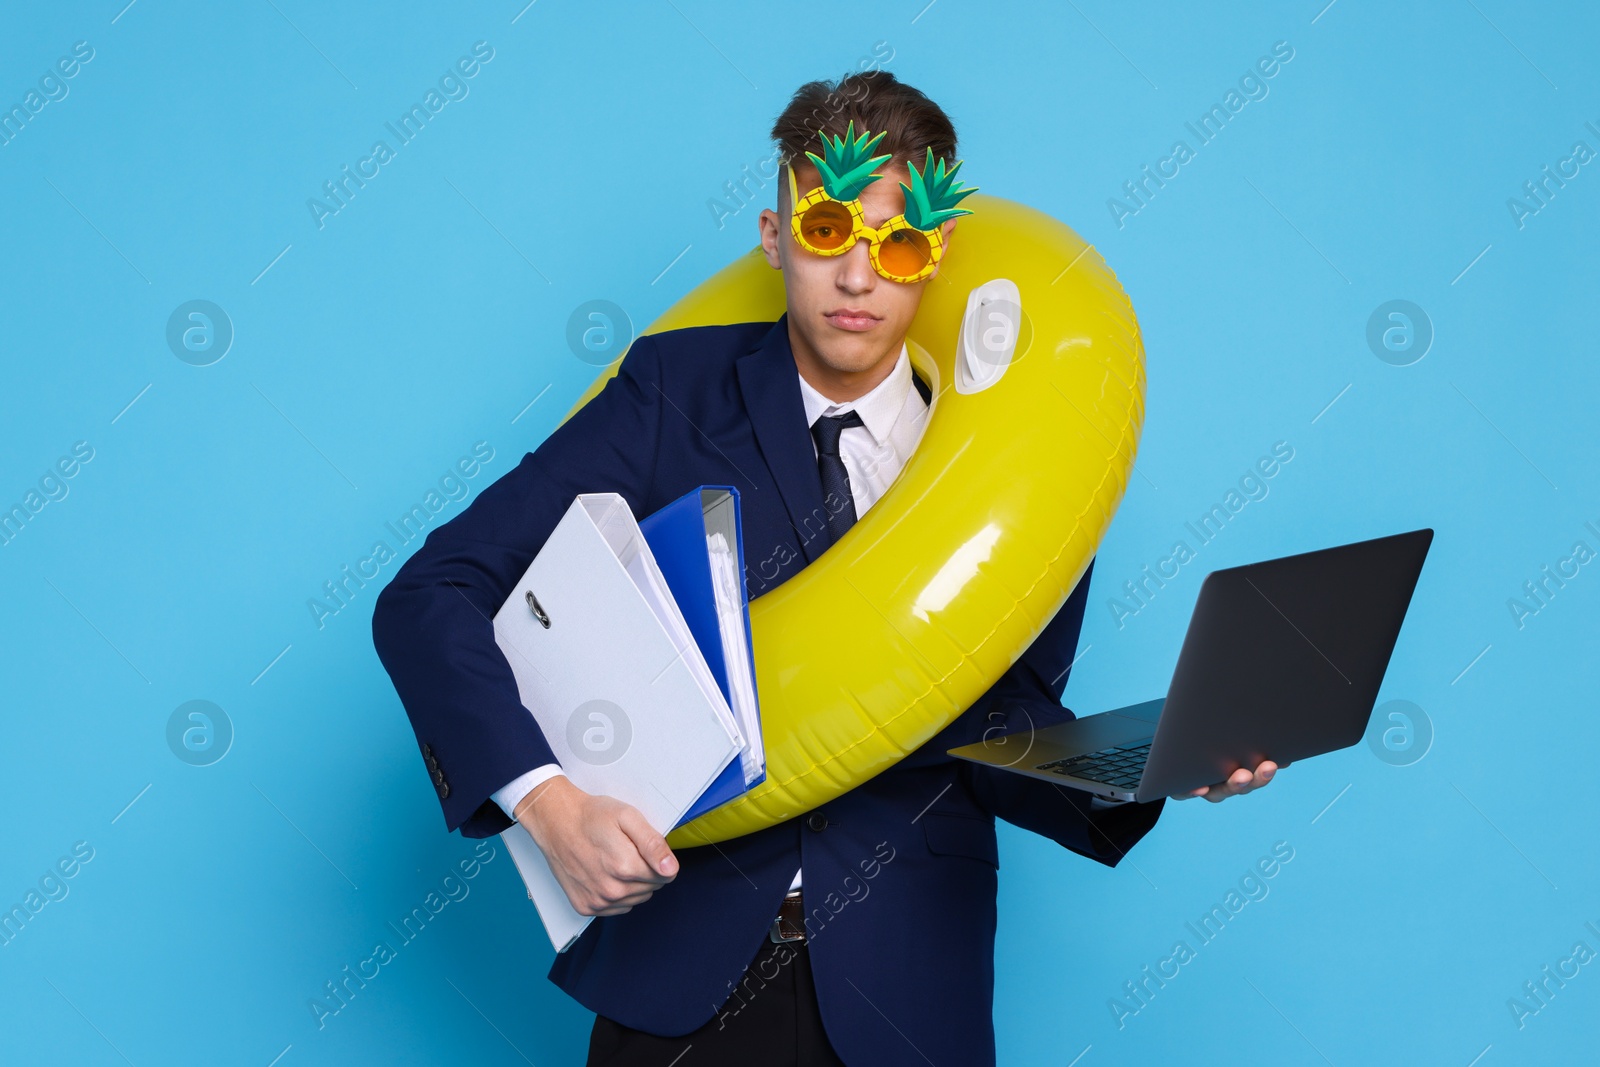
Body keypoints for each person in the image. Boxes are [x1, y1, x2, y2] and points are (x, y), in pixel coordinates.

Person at [370, 70, 1278, 1067]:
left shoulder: (1017, 465)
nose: (858, 279)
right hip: (683, 988)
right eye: (825, 233)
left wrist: (1154, 764)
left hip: (906, 997)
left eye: (895, 243)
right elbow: (430, 595)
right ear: (772, 237)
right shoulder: (673, 395)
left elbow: (987, 725)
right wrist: (547, 802)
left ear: (937, 256)